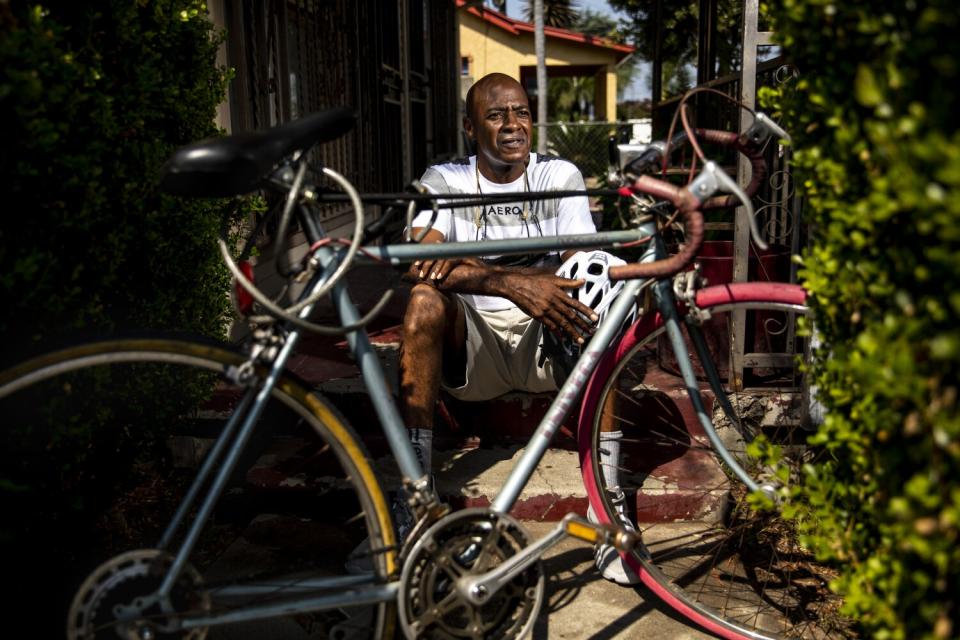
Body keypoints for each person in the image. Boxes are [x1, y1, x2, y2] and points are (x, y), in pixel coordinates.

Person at [399, 72, 638, 585]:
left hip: (547, 338)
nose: (513, 125)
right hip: (475, 343)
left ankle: (607, 502)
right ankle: (414, 496)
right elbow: (421, 260)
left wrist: (551, 284)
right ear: (470, 127)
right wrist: (512, 283)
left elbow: (581, 260)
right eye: (496, 114)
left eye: (522, 112)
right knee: (423, 301)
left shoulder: (560, 175)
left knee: (598, 292)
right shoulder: (444, 180)